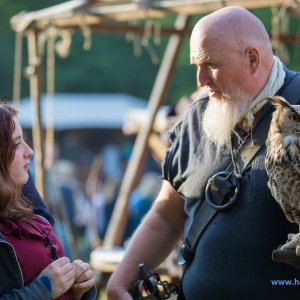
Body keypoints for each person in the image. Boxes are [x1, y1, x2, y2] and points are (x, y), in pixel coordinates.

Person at [106, 6, 300, 299]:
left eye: (209, 64)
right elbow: (167, 215)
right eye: (196, 65)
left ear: (252, 59)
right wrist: (120, 281)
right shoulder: (194, 120)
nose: (200, 80)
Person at [0, 102, 97, 299]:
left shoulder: (26, 213)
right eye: (17, 144)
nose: (29, 151)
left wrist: (75, 287)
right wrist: (43, 289)